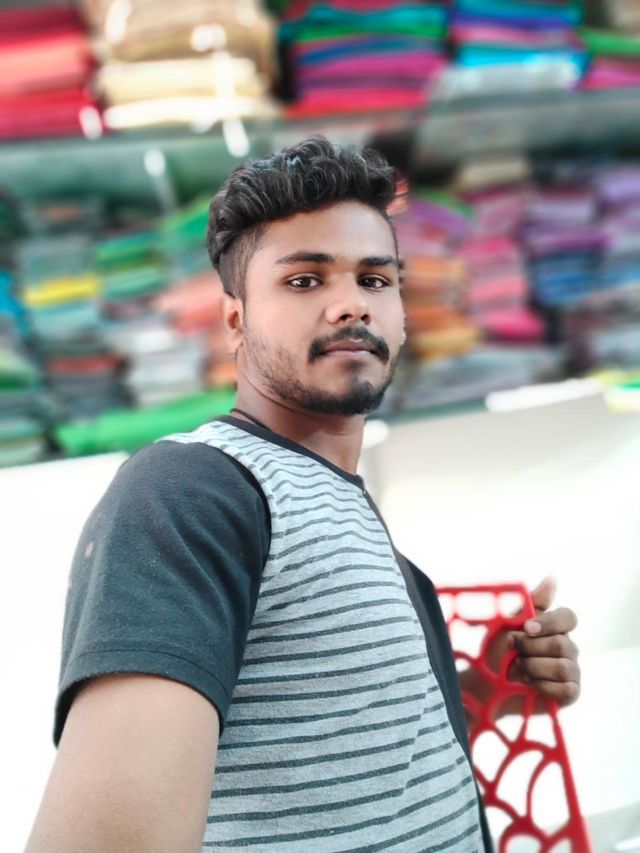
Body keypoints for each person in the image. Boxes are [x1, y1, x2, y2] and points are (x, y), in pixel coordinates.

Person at [26, 137, 580, 853]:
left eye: (374, 280)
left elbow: (363, 766)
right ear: (235, 320)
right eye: (305, 280)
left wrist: (485, 688)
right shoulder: (192, 490)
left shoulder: (351, 520)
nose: (350, 305)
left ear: (402, 312)